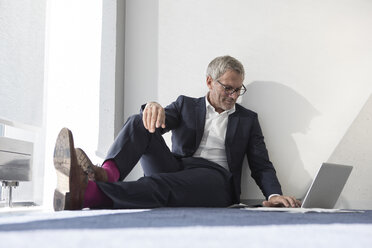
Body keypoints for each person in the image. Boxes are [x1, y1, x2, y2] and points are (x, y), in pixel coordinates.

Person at [53, 55, 301, 211]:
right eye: (228, 88)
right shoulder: (186, 105)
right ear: (209, 82)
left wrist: (274, 195)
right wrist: (152, 107)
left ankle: (87, 194)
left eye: (238, 90)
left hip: (215, 179)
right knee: (139, 121)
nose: (233, 96)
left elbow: (261, 164)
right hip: (176, 165)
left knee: (159, 185)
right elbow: (157, 122)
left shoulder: (247, 120)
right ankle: (107, 174)